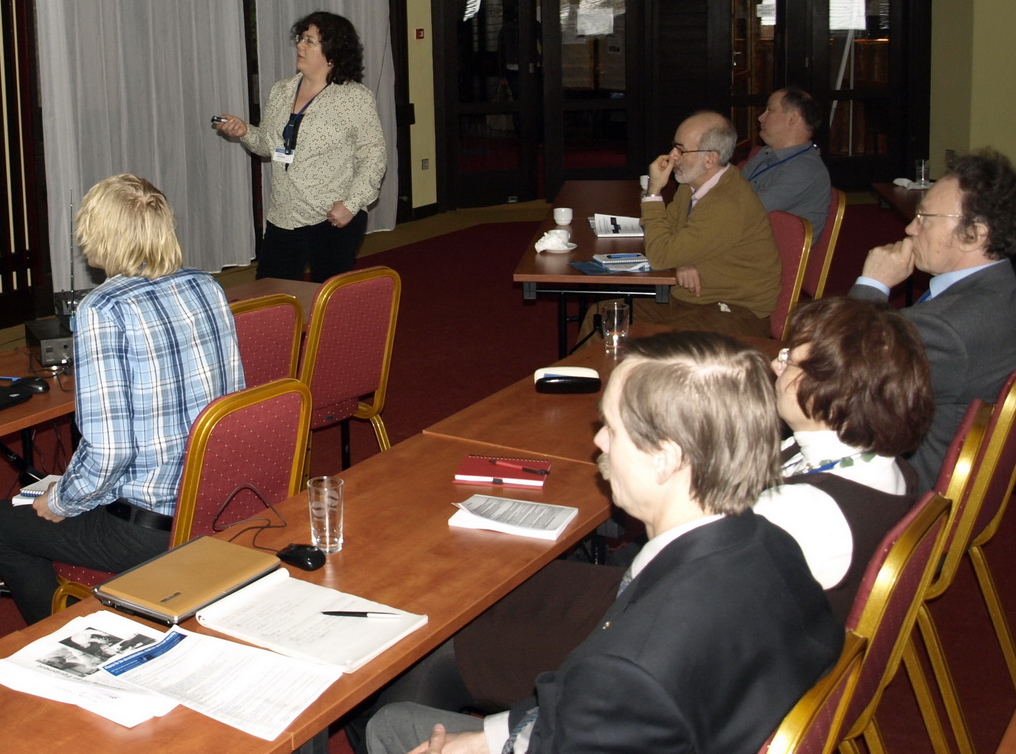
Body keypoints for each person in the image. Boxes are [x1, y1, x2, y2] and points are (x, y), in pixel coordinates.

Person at [366, 332, 842, 754]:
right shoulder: (773, 546)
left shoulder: (629, 669)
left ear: (665, 459)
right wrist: (491, 737)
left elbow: (608, 694)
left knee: (389, 725)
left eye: (612, 429)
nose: (599, 444)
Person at [0, 174, 244, 625]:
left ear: (99, 234)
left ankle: (59, 638)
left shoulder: (103, 308)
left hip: (150, 529)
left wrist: (61, 502)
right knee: (72, 486)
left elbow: (111, 451)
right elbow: (231, 403)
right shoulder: (206, 285)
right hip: (215, 501)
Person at [849, 148, 1016, 492]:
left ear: (974, 234)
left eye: (925, 218)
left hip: (907, 490)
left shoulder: (945, 329)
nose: (910, 228)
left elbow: (837, 374)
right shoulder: (1004, 294)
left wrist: (872, 284)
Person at [754, 296, 932, 622]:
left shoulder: (796, 510)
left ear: (834, 392)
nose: (775, 366)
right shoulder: (888, 462)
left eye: (789, 362)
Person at [214, 11, 387, 282]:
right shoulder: (281, 91)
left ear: (332, 54)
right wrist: (245, 131)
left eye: (309, 41)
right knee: (272, 294)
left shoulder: (355, 98)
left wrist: (351, 205)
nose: (300, 45)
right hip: (284, 215)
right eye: (301, 38)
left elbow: (373, 158)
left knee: (326, 297)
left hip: (331, 217)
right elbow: (268, 145)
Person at [627, 110, 781, 336]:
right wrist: (681, 262)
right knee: (604, 317)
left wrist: (653, 193)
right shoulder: (690, 187)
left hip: (734, 310)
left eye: (681, 150)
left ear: (710, 159)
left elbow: (659, 255)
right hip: (693, 299)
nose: (672, 156)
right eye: (674, 147)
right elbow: (665, 234)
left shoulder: (727, 202)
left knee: (662, 344)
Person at [740, 86, 832, 241]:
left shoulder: (805, 170)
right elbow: (732, 191)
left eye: (770, 110)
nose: (761, 117)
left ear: (793, 118)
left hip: (768, 251)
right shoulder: (765, 153)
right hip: (747, 239)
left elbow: (748, 213)